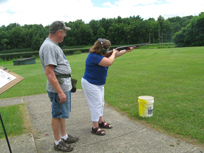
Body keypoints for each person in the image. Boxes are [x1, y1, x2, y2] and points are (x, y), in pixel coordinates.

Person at [39, 21, 79, 152]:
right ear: (59, 32)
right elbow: (50, 73)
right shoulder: (49, 46)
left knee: (61, 114)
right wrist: (60, 92)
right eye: (64, 31)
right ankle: (57, 142)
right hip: (58, 88)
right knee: (57, 114)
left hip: (63, 85)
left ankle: (64, 136)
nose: (65, 34)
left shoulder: (53, 45)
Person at [81, 38, 134, 136]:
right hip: (91, 83)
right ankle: (95, 127)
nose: (109, 50)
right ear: (103, 48)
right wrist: (113, 53)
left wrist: (126, 50)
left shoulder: (101, 54)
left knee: (101, 103)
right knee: (95, 105)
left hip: (98, 83)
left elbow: (114, 55)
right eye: (107, 48)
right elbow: (109, 61)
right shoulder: (94, 56)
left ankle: (101, 122)